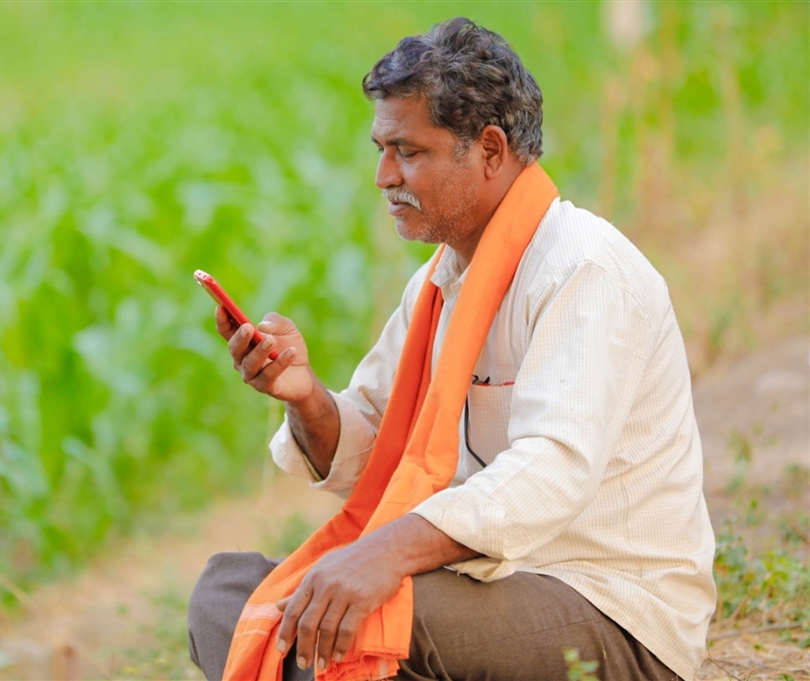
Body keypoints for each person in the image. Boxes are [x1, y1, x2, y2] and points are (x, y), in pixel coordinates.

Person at [187, 17, 715, 681]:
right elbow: (380, 452)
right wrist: (307, 398)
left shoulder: (585, 269)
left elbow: (549, 472)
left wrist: (385, 553)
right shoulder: (438, 283)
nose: (383, 175)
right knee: (229, 591)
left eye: (408, 151)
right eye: (381, 149)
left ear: (490, 149)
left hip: (608, 605)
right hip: (474, 585)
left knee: (367, 616)